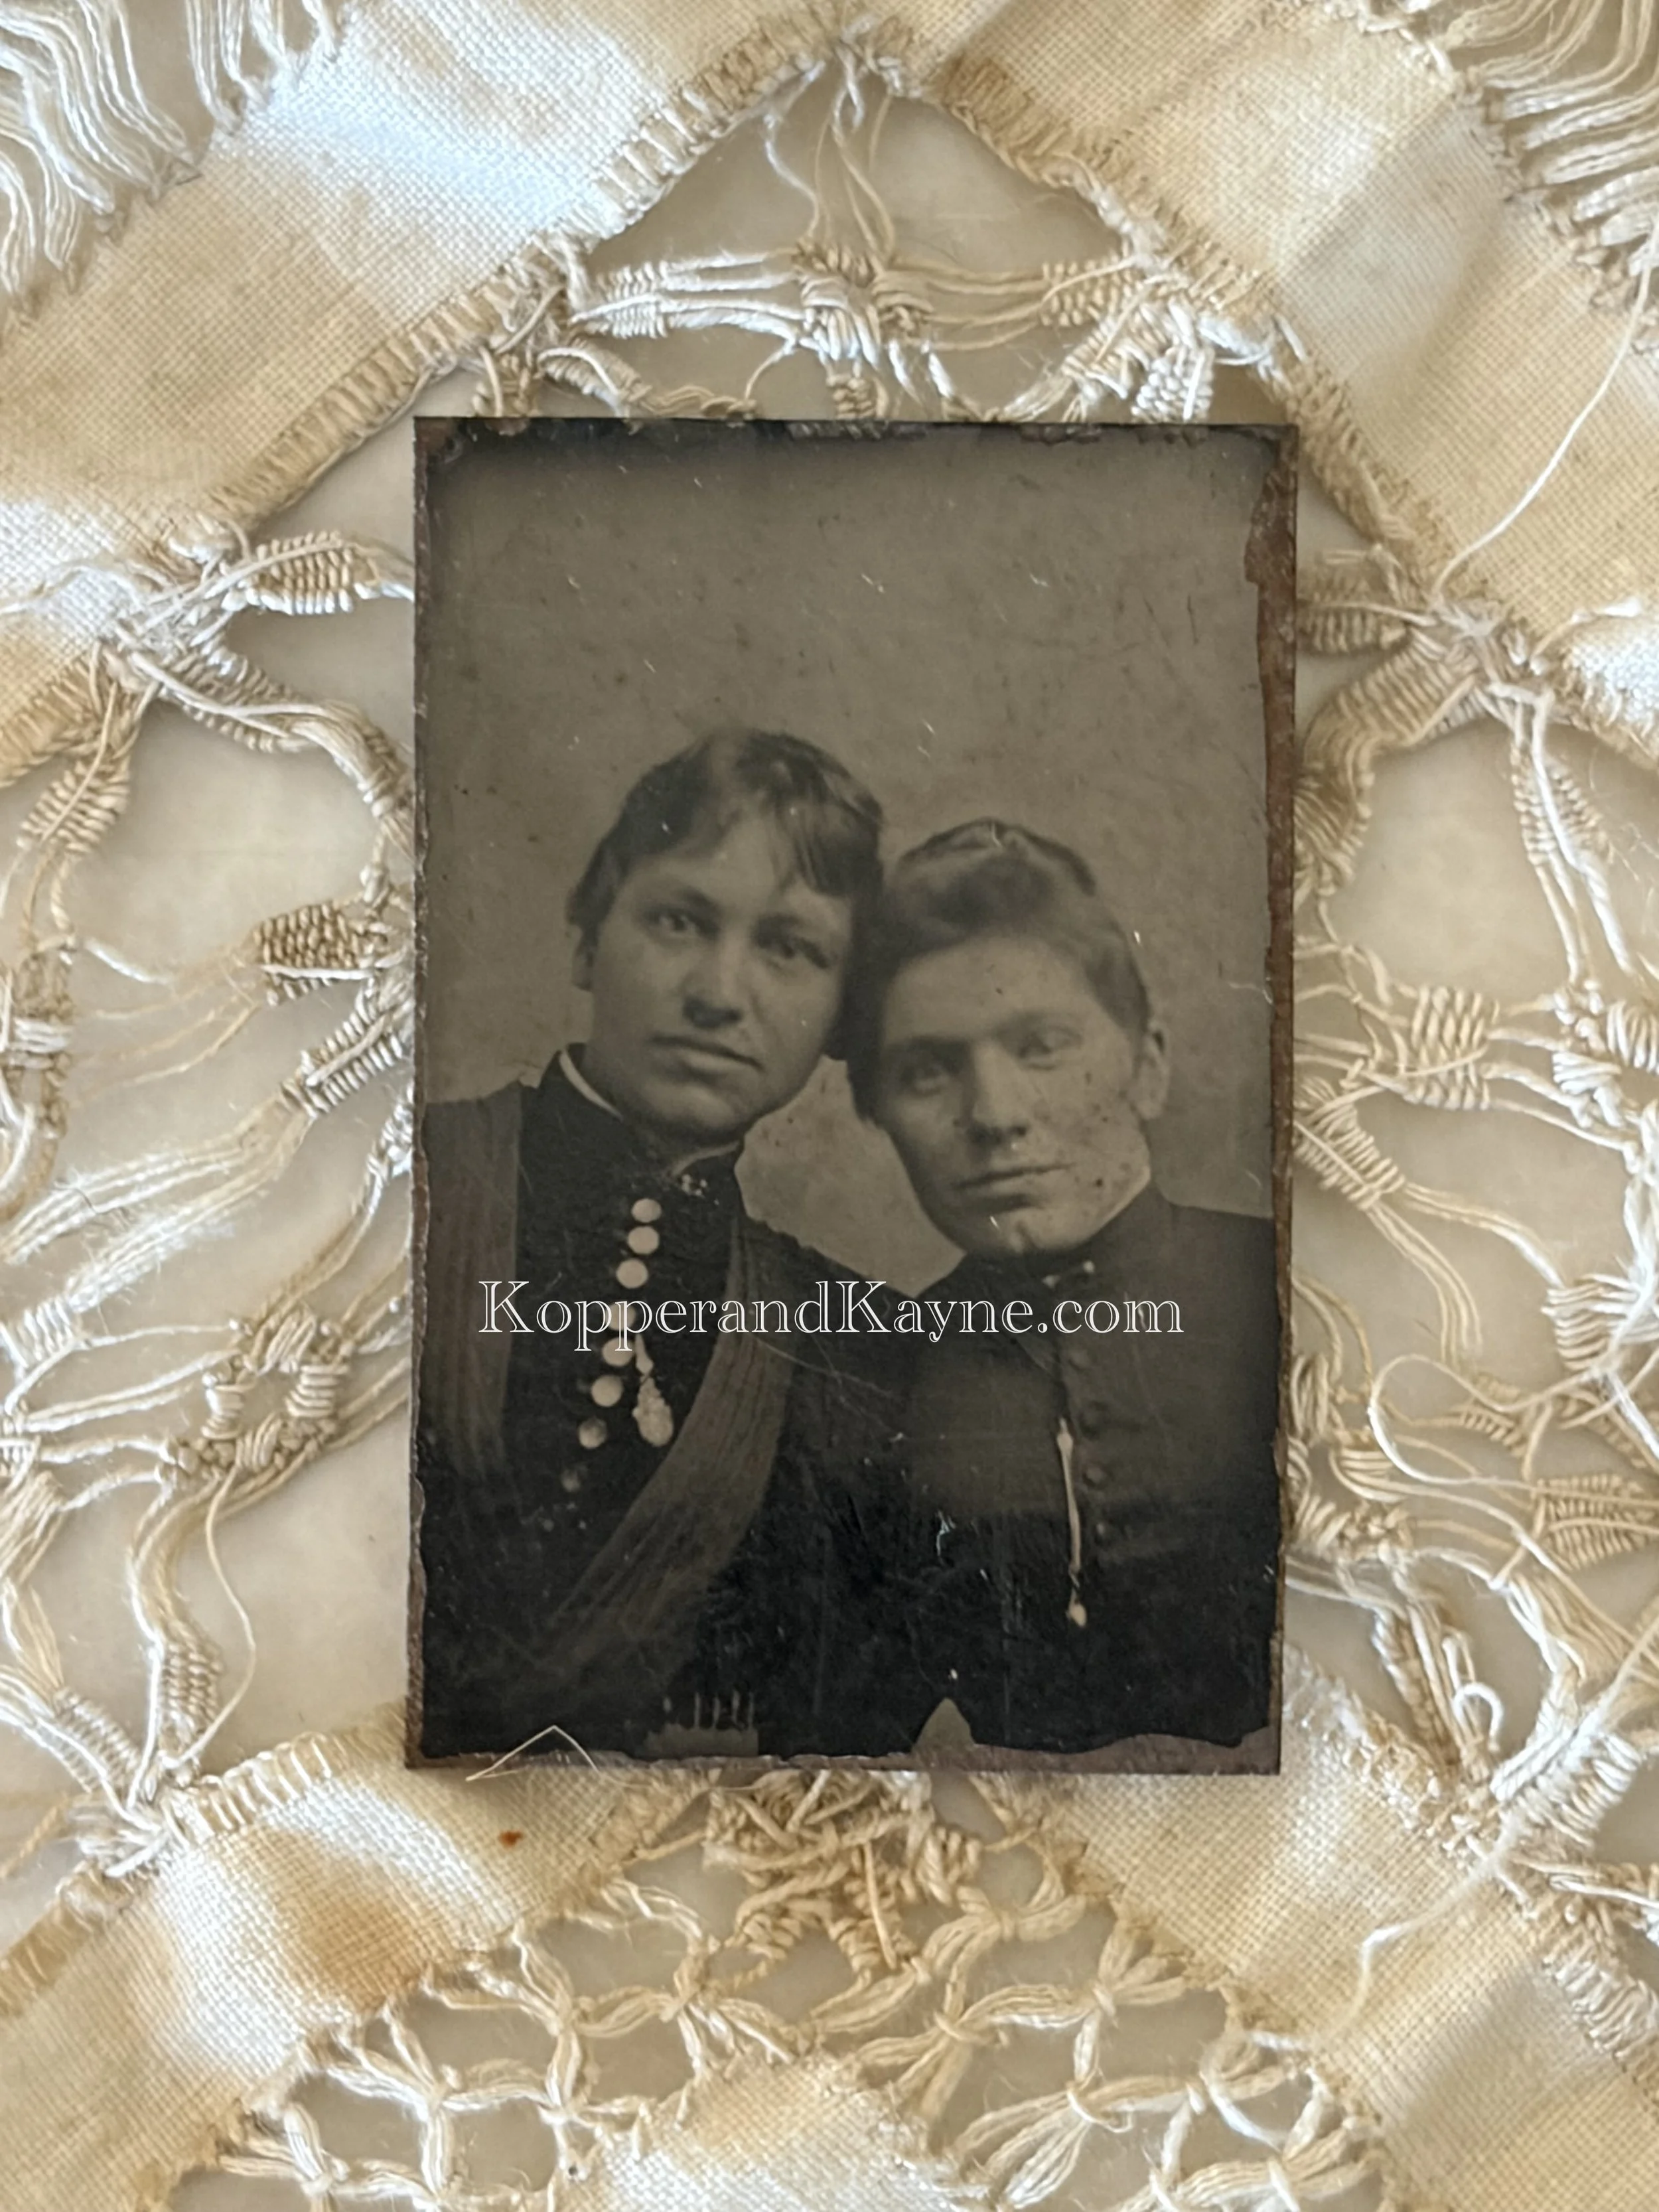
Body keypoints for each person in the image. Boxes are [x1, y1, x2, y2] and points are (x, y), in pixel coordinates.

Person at [414, 729, 902, 1761]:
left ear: (836, 1020)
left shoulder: (836, 1343)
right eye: (680, 920)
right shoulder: (403, 1171)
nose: (719, 993)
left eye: (790, 948)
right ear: (587, 941)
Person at [843, 819, 1281, 1755]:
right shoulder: (879, 1372)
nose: (995, 1116)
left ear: (1148, 1066)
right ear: (877, 1114)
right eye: (926, 1072)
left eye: (1041, 1046)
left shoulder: (1285, 1291)